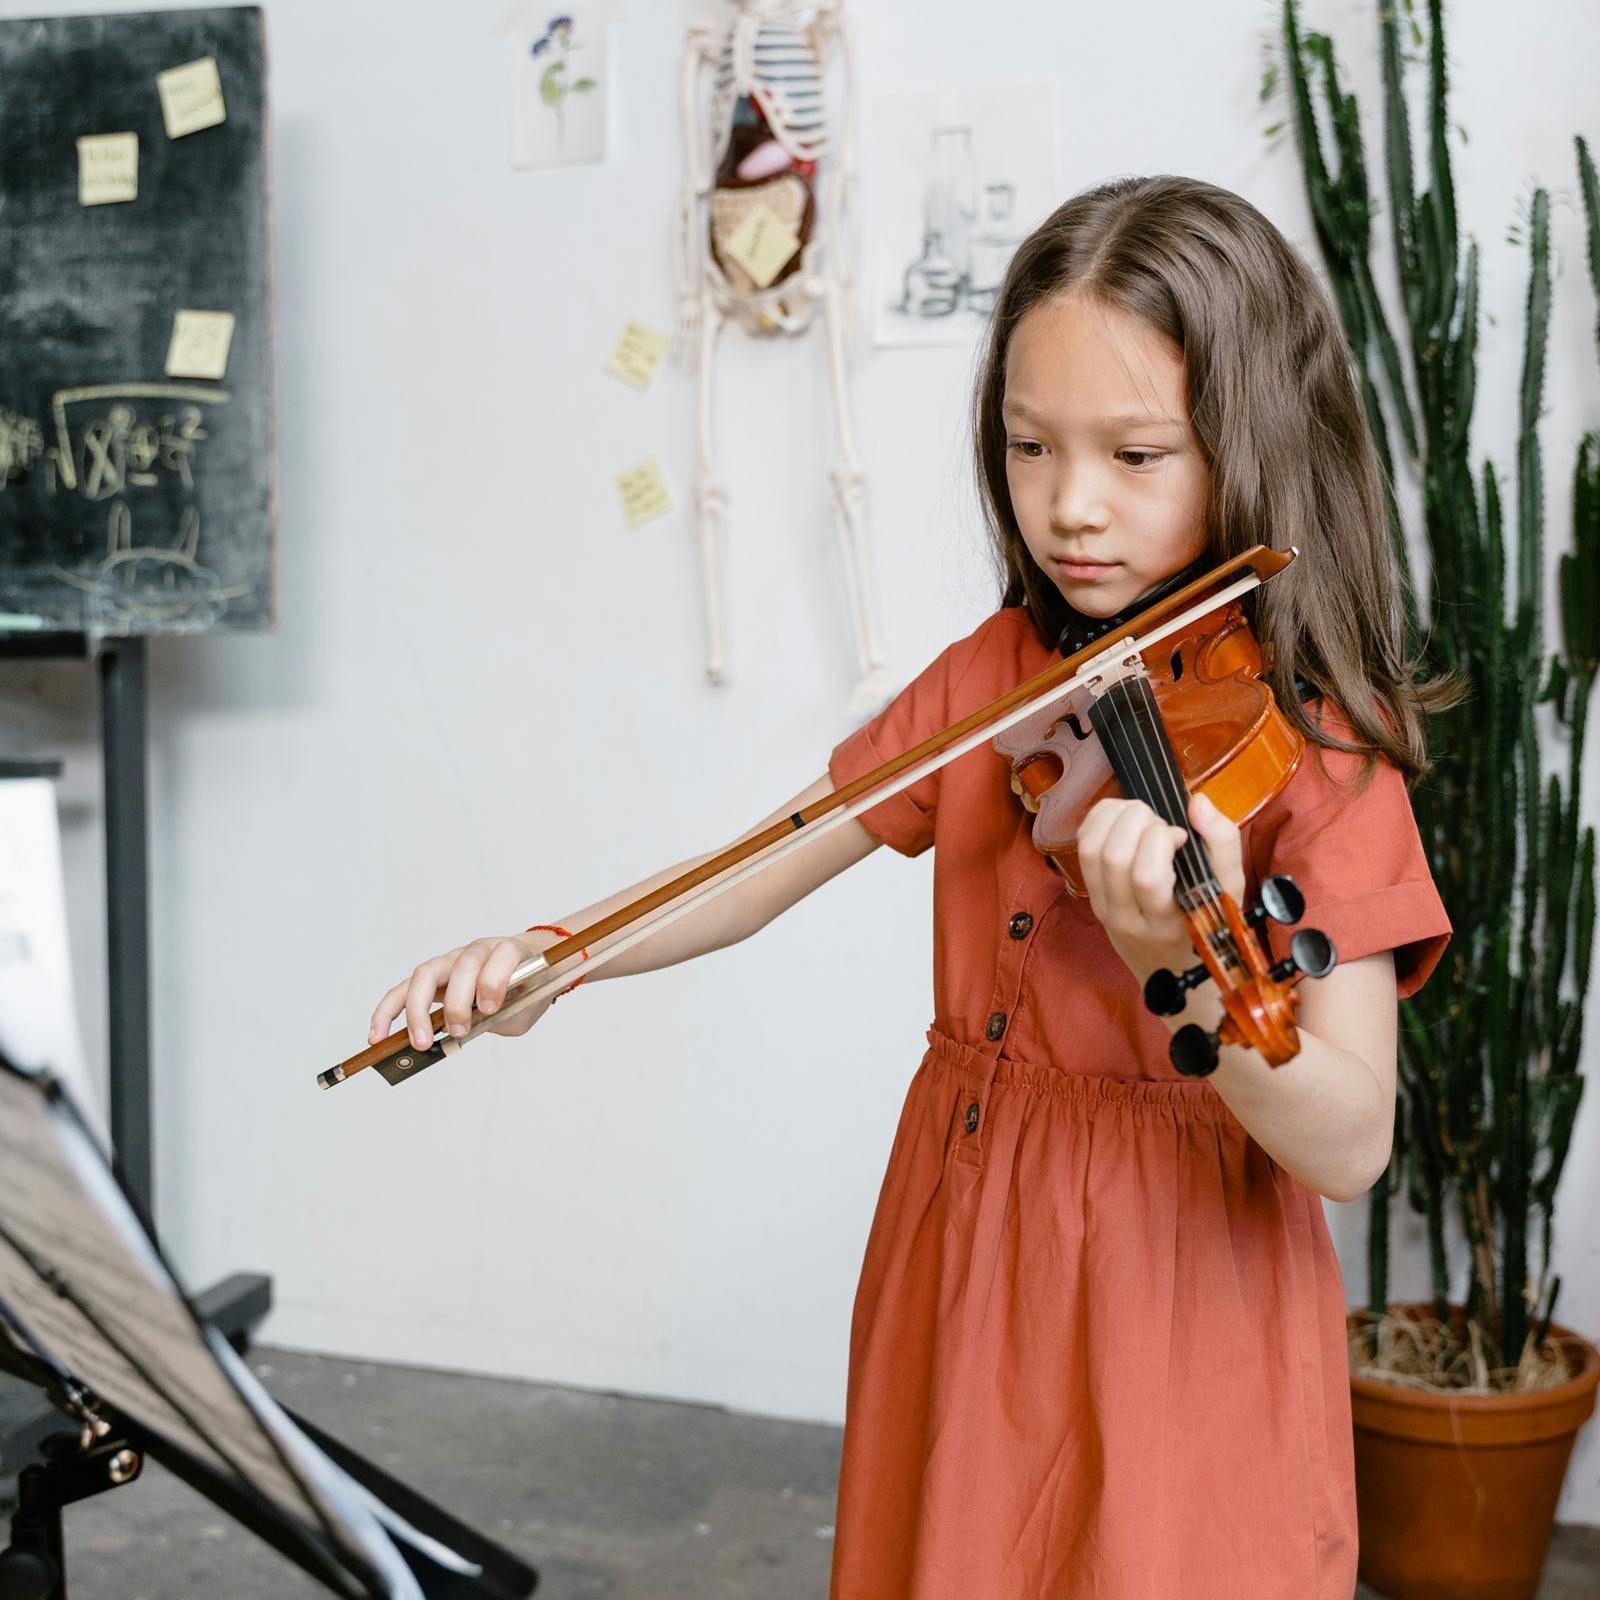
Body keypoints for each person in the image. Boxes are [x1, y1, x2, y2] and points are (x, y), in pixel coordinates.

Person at [368, 174, 1457, 1599]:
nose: (1072, 505)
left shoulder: (1316, 752)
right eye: (1028, 447)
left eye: (1137, 454)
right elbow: (766, 862)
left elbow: (1349, 1142)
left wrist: (1183, 965)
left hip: (1183, 1287)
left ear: (1250, 448)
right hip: (971, 1223)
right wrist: (556, 956)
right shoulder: (996, 681)